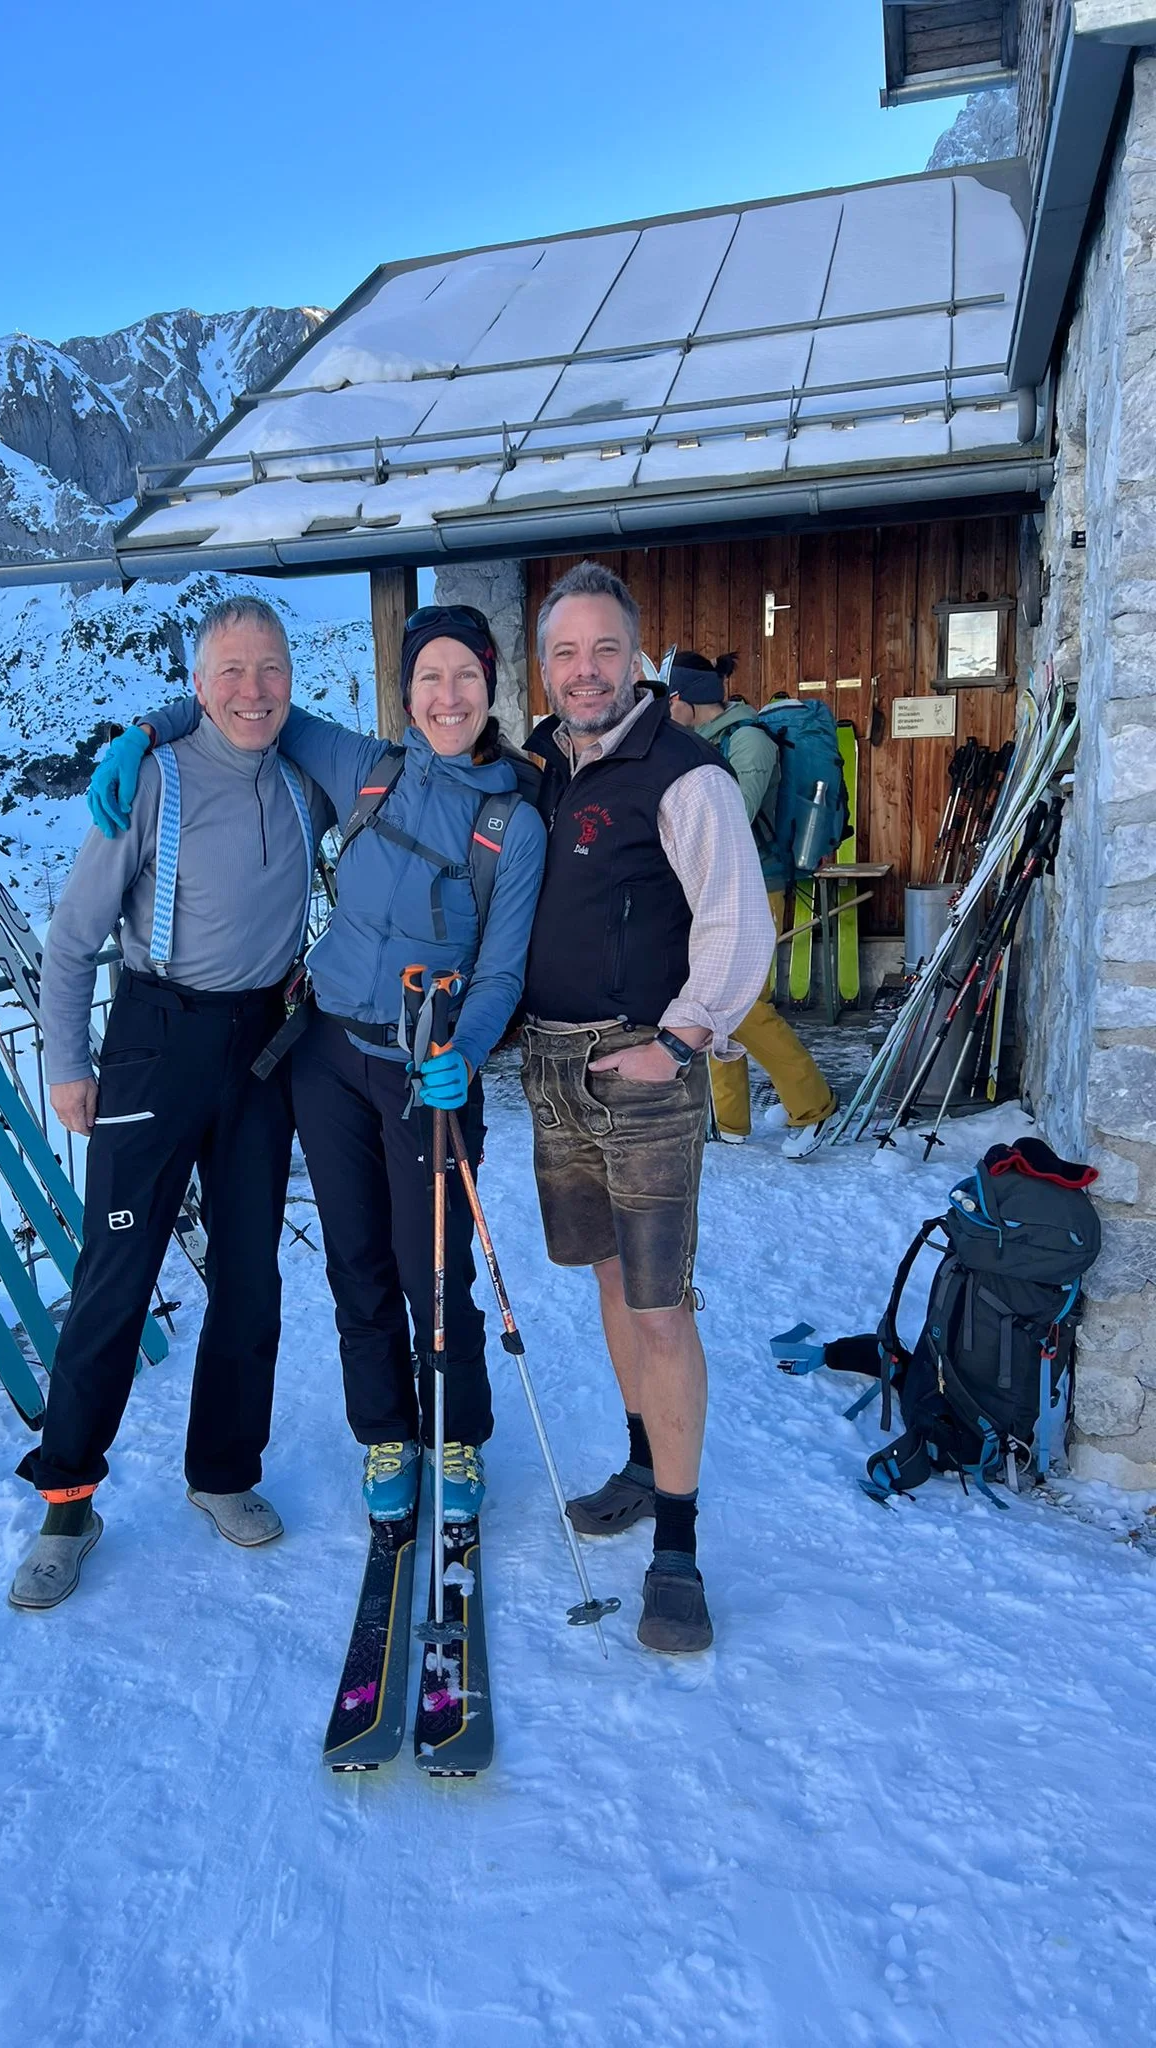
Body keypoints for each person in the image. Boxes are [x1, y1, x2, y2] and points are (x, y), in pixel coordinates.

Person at [90, 605, 547, 1525]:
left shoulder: (513, 821)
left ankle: (455, 1430)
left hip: (426, 1068)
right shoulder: (368, 767)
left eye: (465, 676)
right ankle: (386, 1431)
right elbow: (255, 707)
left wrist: (466, 1049)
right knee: (356, 1261)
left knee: (434, 1268)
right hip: (328, 1057)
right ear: (407, 693)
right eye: (429, 678)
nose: (447, 696)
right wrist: (144, 733)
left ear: (489, 686)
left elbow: (502, 970)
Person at [8, 594, 331, 1611]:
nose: (252, 690)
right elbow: (72, 941)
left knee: (250, 1277)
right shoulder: (152, 778)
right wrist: (68, 1063)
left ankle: (223, 1470)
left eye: (270, 669)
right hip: (156, 1039)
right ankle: (67, 1502)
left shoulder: (306, 778)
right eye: (230, 671)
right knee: (116, 1274)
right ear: (198, 683)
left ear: (292, 680)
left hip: (262, 1045)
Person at [518, 562, 774, 1654]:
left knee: (661, 1303)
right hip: (553, 1070)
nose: (586, 671)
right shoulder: (539, 763)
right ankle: (637, 1459)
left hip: (642, 1074)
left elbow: (737, 922)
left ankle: (678, 1548)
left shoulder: (686, 773)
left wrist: (680, 1041)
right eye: (567, 652)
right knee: (611, 1279)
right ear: (544, 665)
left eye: (605, 650)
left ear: (639, 657)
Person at [666, 652, 838, 1160]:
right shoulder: (706, 742)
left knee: (746, 1008)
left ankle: (813, 1105)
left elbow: (733, 818)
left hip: (756, 884)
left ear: (686, 698)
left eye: (668, 699)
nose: (663, 710)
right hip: (716, 886)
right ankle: (731, 1121)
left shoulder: (748, 741)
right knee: (714, 1002)